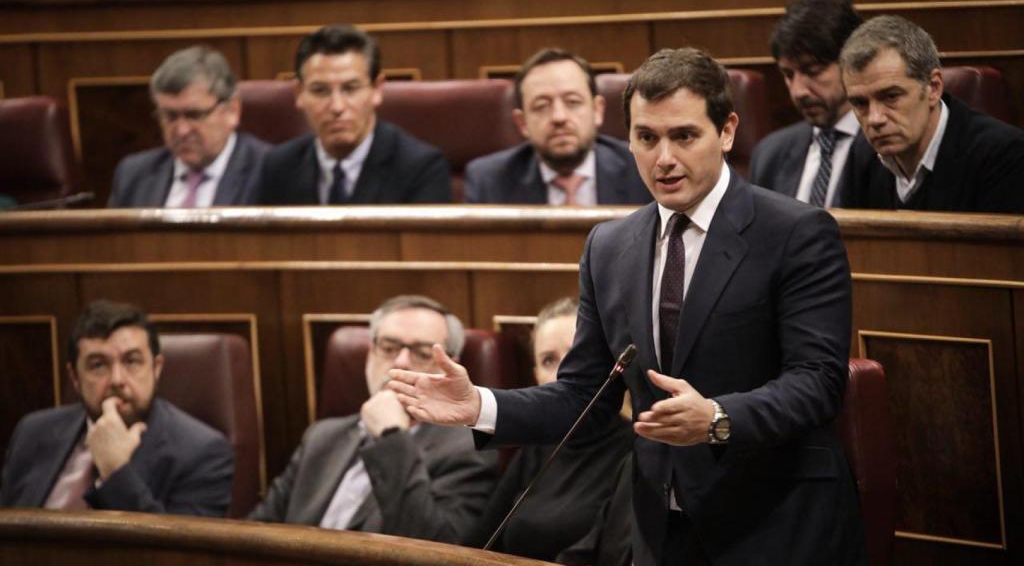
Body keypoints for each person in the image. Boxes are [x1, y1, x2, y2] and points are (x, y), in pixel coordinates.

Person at [389, 48, 865, 565]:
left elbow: (817, 381)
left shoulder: (796, 232)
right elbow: (582, 399)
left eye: (683, 136)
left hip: (779, 524)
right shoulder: (609, 246)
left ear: (726, 131)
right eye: (647, 138)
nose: (663, 158)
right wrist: (480, 406)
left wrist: (718, 417)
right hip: (661, 531)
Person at [248, 295, 495, 543]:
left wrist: (391, 437)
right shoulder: (322, 437)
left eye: (422, 353)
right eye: (388, 348)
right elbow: (255, 534)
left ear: (449, 370)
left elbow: (434, 548)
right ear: (370, 355)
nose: (400, 362)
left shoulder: (467, 450)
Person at [1, 300, 233, 516]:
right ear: (74, 377)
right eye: (98, 365)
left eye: (131, 361)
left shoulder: (203, 453)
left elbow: (177, 556)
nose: (116, 379)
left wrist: (114, 470)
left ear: (156, 368)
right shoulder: (33, 432)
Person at [463, 297, 632, 562]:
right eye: (549, 361)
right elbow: (479, 541)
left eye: (576, 356)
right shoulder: (537, 447)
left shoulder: (636, 451)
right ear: (536, 375)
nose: (564, 374)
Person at [839, 15, 1024, 212]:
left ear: (933, 88)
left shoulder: (1005, 156)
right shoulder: (862, 156)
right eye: (860, 103)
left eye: (891, 96)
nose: (875, 118)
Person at [253, 25, 452, 205]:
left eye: (350, 89)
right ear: (299, 94)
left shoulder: (420, 168)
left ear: (377, 90)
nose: (337, 106)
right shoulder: (279, 167)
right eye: (320, 90)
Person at [464, 48, 651, 205]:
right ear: (522, 123)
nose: (559, 117)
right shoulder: (489, 181)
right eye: (541, 106)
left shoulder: (642, 169)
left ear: (597, 110)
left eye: (572, 102)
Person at [108, 46, 269, 208]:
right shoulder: (133, 175)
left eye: (194, 115)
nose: (181, 131)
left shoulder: (269, 172)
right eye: (170, 116)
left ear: (232, 111)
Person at [748, 0, 863, 208]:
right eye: (788, 75)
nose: (799, 91)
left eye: (813, 71)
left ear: (852, 63)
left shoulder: (888, 150)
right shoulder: (769, 155)